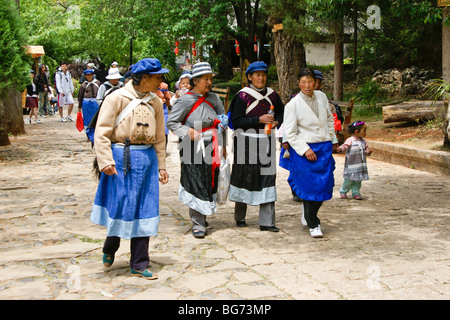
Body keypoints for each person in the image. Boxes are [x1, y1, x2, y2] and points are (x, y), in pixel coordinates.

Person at [90, 58, 169, 279]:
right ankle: (110, 246)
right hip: (120, 158)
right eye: (157, 77)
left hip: (147, 160)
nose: (161, 81)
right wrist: (105, 160)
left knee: (145, 208)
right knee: (122, 204)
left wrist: (161, 165)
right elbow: (102, 131)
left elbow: (160, 137)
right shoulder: (116, 98)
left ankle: (139, 262)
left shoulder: (156, 103)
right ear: (144, 78)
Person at [167, 62, 228, 239]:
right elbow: (172, 122)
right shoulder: (185, 100)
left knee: (209, 180)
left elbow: (222, 122)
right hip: (191, 145)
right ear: (195, 80)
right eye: (205, 79)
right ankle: (198, 222)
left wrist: (224, 147)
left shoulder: (214, 99)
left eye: (210, 79)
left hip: (212, 144)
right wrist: (187, 131)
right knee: (195, 181)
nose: (209, 82)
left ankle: (202, 214)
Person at [282, 68, 339, 238]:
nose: (307, 86)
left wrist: (332, 139)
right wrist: (305, 149)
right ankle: (313, 222)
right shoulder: (292, 105)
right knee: (308, 187)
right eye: (303, 82)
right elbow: (290, 133)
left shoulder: (321, 97)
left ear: (316, 82)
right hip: (304, 151)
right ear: (299, 84)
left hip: (323, 147)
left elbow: (329, 118)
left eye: (311, 82)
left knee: (323, 185)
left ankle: (309, 213)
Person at [228, 61, 284, 232]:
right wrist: (258, 120)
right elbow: (235, 121)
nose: (261, 78)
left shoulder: (273, 95)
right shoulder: (242, 96)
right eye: (257, 75)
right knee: (244, 176)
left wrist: (276, 122)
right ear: (250, 77)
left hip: (266, 141)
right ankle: (240, 216)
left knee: (267, 177)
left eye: (264, 74)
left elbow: (281, 112)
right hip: (245, 142)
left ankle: (267, 221)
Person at [338, 121, 373, 200]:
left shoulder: (363, 141)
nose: (365, 133)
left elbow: (365, 150)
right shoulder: (350, 140)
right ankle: (343, 191)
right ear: (357, 131)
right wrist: (340, 149)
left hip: (359, 165)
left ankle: (356, 192)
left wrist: (368, 152)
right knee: (348, 180)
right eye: (364, 131)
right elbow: (345, 146)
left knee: (358, 180)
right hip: (351, 165)